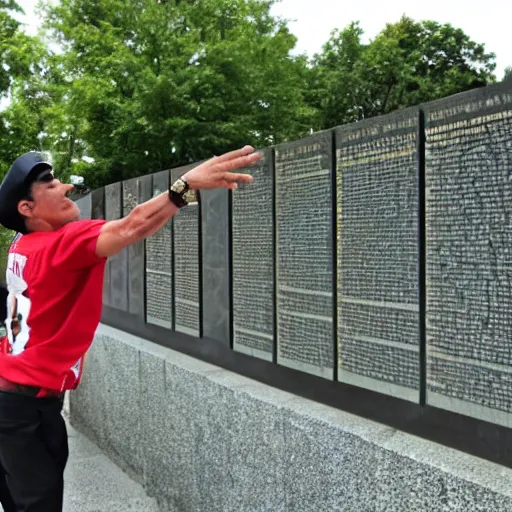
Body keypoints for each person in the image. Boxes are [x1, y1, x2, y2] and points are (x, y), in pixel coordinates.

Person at [0, 147, 260, 512]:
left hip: (15, 399)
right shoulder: (60, 244)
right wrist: (184, 187)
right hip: (25, 409)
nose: (67, 186)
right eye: (49, 184)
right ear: (26, 209)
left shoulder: (22, 245)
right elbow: (133, 226)